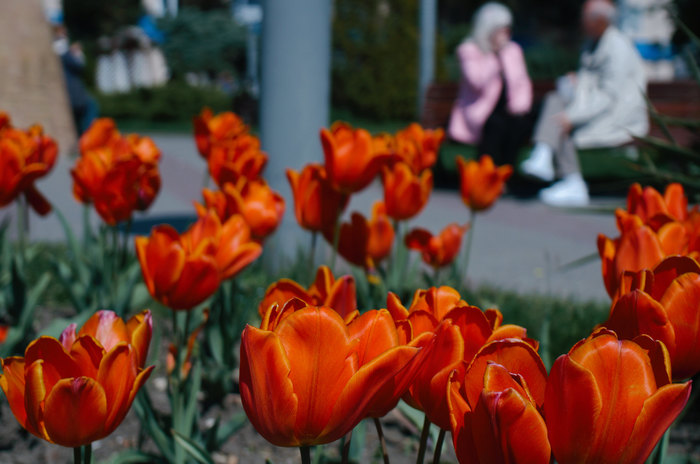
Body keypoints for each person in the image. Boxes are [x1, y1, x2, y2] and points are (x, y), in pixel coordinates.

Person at [521, 0, 649, 206]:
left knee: (562, 121)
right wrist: (577, 81)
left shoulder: (617, 47)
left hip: (618, 114)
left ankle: (561, 170)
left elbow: (609, 95)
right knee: (556, 103)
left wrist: (572, 116)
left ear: (599, 21)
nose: (581, 22)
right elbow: (592, 81)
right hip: (595, 109)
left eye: (585, 18)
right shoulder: (593, 43)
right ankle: (551, 163)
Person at [448, 2, 533, 166]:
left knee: (517, 125)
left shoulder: (513, 50)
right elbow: (477, 82)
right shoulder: (469, 50)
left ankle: (505, 174)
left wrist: (520, 107)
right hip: (479, 112)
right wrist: (493, 54)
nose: (505, 34)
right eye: (501, 29)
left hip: (510, 111)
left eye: (507, 29)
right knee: (495, 126)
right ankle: (487, 173)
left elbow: (522, 83)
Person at [53, 25, 98, 135]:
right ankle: (88, 137)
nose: (65, 36)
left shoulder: (62, 48)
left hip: (72, 92)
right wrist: (76, 53)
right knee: (89, 107)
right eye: (63, 33)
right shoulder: (61, 48)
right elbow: (78, 66)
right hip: (71, 92)